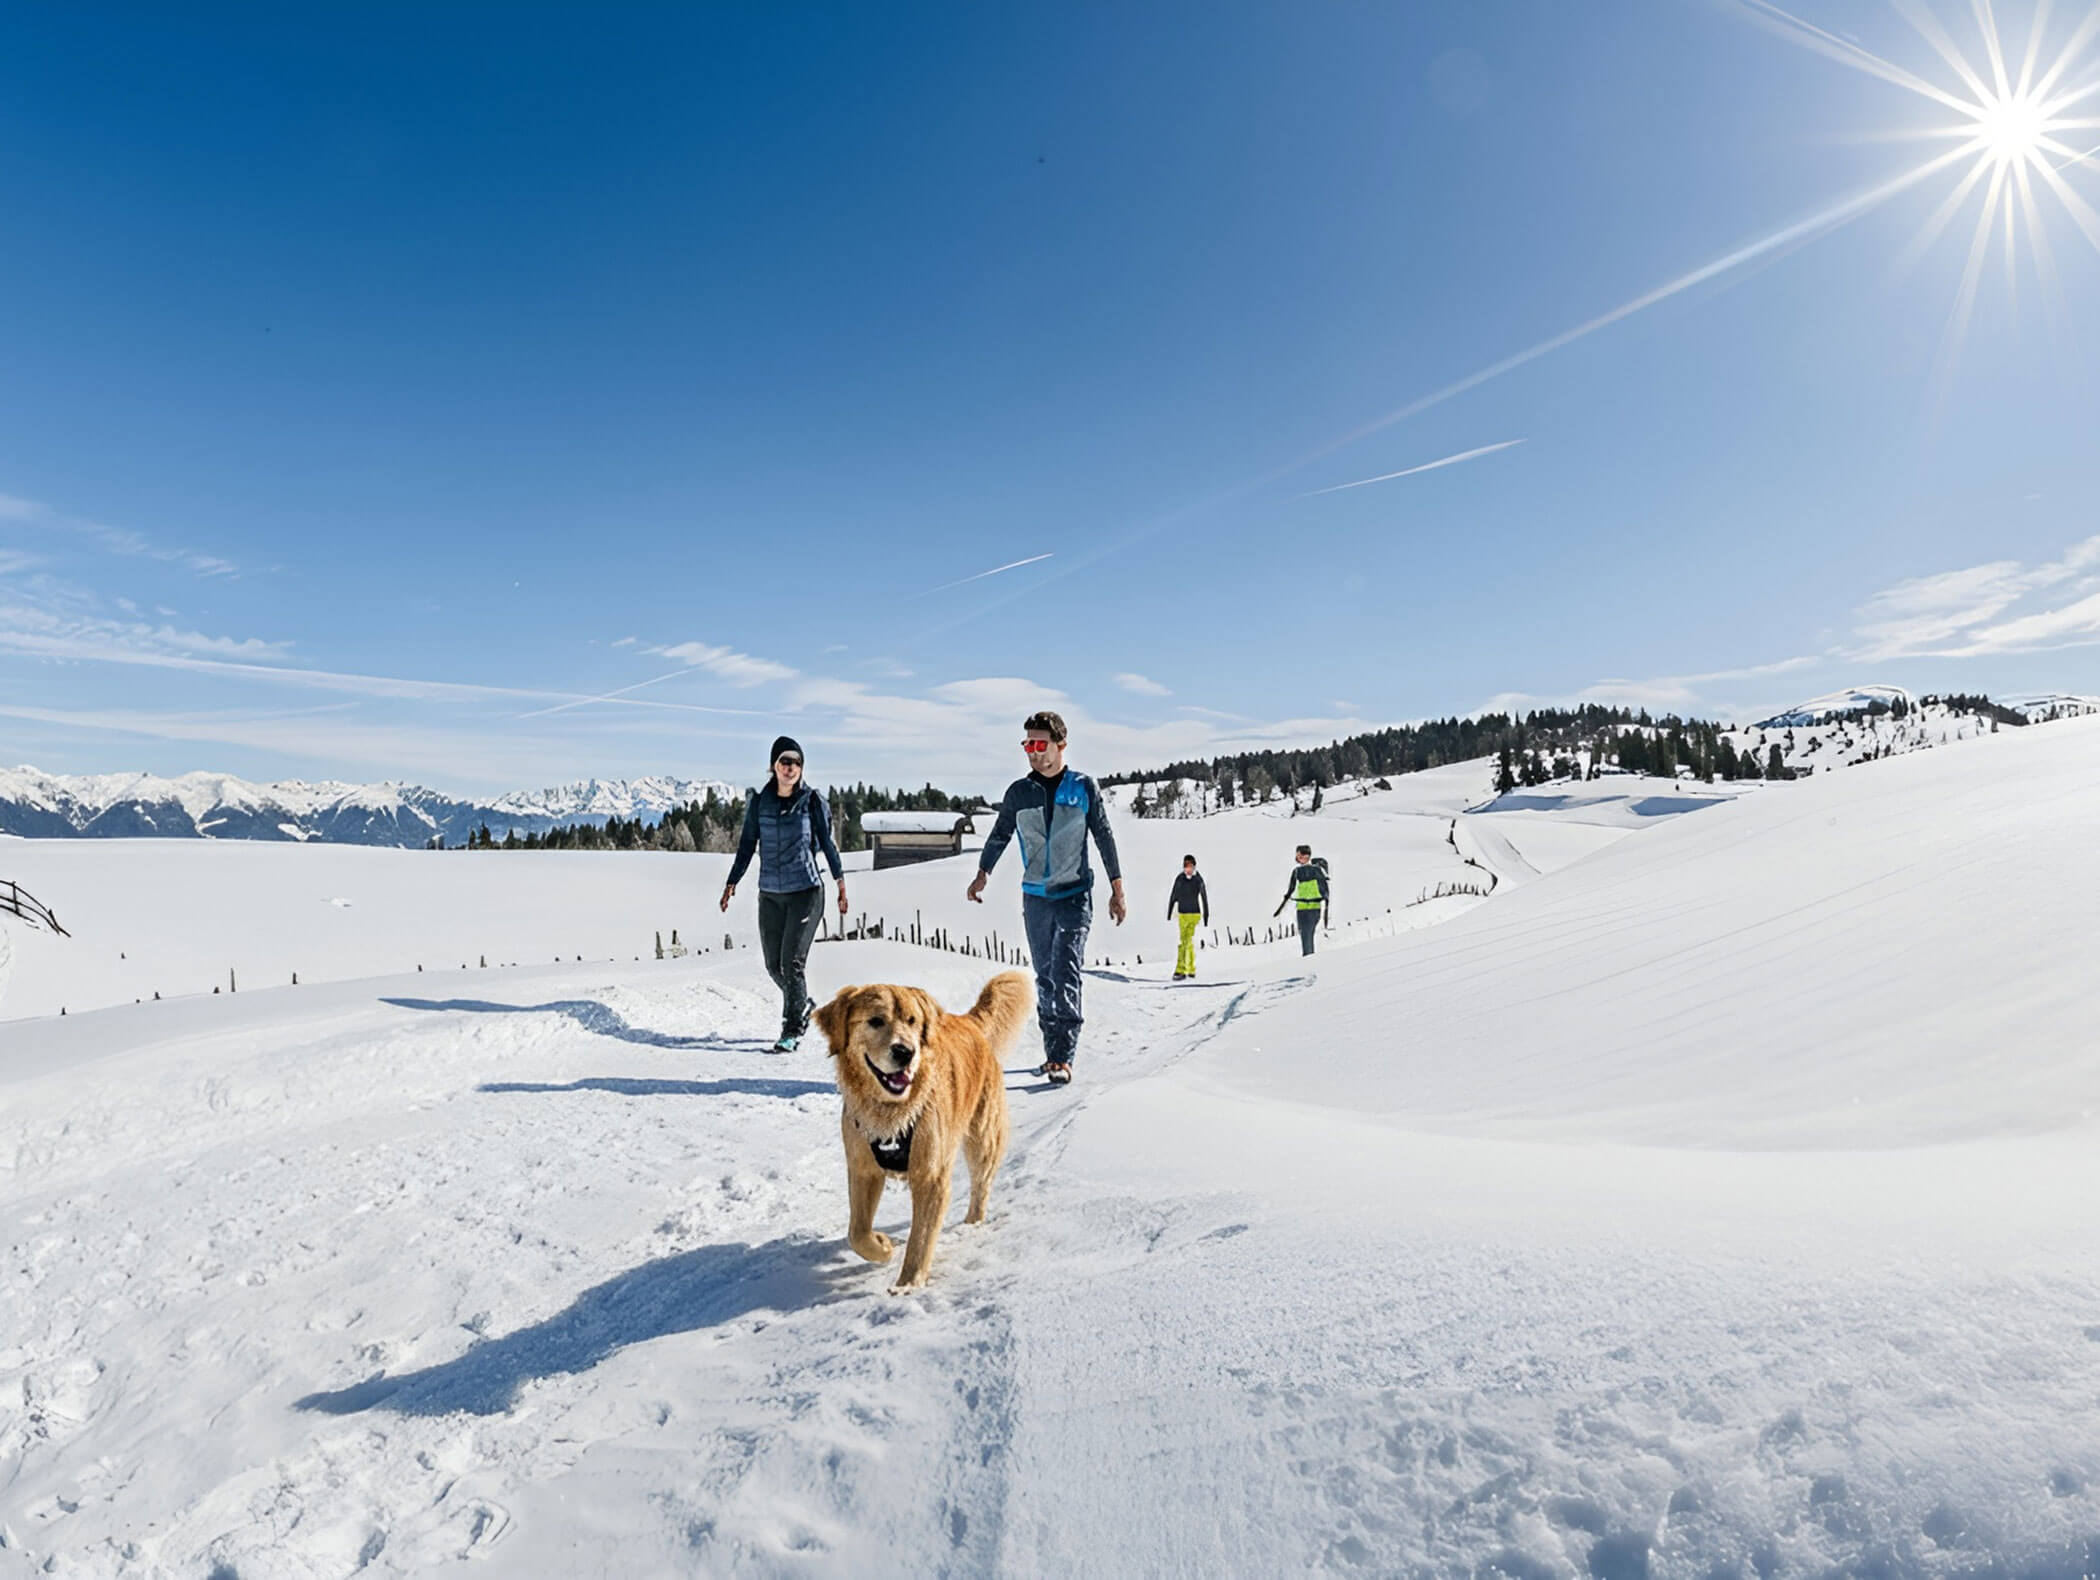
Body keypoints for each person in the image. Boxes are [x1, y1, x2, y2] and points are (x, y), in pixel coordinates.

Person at [966, 710, 1125, 1085]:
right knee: (1045, 976)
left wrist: (1118, 889)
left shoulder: (1083, 788)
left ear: (1061, 745)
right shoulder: (1019, 793)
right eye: (1028, 745)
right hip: (1035, 896)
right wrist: (982, 873)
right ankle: (1052, 1048)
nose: (1033, 753)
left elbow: (1103, 836)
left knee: (1066, 968)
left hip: (1075, 893)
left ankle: (1062, 1055)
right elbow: (1001, 834)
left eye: (1040, 744)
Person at [721, 736, 848, 1052]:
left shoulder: (812, 801)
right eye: (785, 762)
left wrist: (840, 883)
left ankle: (791, 1029)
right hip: (771, 894)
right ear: (773, 766)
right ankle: (802, 1004)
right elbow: (747, 844)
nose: (791, 768)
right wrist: (731, 882)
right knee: (773, 965)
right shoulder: (760, 803)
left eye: (797, 763)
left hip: (806, 891)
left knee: (792, 963)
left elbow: (827, 845)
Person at [1273, 843, 1329, 956]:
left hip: (1312, 907)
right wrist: (1280, 909)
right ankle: (1308, 957)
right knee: (1305, 934)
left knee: (1307, 934)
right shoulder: (1297, 871)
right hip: (1302, 908)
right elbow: (1290, 890)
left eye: (1299, 855)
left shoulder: (1313, 871)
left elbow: (1324, 890)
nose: (1297, 857)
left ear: (1306, 856)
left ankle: (1308, 958)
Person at [1167, 854, 1209, 980]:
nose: (1188, 869)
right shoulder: (1180, 879)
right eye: (1186, 866)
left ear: (1194, 866)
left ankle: (1180, 970)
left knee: (1186, 941)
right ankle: (1191, 968)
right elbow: (1173, 895)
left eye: (1190, 866)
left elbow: (1204, 898)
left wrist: (1206, 916)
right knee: (1186, 942)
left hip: (1194, 914)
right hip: (1182, 915)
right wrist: (1169, 913)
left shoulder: (1198, 880)